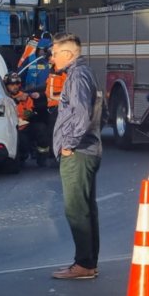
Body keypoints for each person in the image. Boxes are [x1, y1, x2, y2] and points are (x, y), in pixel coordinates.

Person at [49, 32, 103, 280]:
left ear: (68, 54)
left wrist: (68, 144)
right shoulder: (82, 73)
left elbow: (81, 115)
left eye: (54, 53)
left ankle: (83, 264)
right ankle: (88, 263)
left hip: (79, 152)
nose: (51, 59)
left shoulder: (78, 76)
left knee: (76, 209)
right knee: (86, 209)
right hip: (87, 149)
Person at [3, 71, 48, 167]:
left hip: (25, 124)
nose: (15, 86)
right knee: (22, 141)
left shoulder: (25, 96)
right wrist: (16, 101)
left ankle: (42, 157)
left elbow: (30, 112)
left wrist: (30, 113)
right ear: (6, 85)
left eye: (17, 84)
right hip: (12, 128)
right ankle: (21, 157)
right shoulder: (3, 97)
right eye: (11, 84)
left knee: (41, 129)